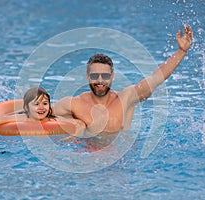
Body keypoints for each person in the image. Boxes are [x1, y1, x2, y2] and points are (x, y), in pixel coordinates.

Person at [53, 25, 193, 138]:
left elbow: (155, 78)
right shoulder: (74, 104)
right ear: (87, 76)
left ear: (112, 76)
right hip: (87, 159)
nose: (100, 81)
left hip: (122, 162)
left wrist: (181, 51)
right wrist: (73, 122)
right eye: (95, 76)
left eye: (105, 76)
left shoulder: (126, 99)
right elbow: (38, 113)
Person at [0, 87, 85, 136]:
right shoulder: (23, 117)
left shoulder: (53, 118)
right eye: (36, 104)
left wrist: (73, 137)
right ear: (27, 108)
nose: (42, 107)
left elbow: (79, 124)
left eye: (45, 104)